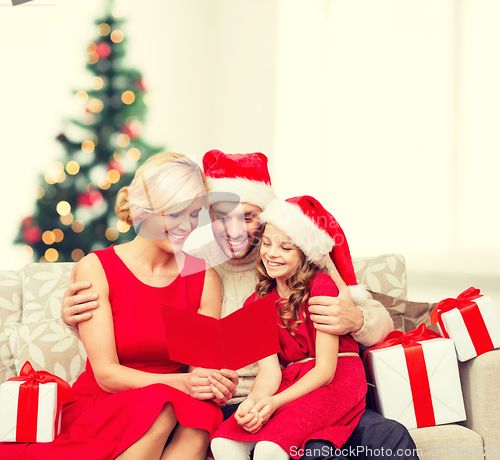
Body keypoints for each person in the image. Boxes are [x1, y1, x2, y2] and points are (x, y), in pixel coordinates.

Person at [61, 150, 419, 460]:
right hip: (243, 401)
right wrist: (79, 320)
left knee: (387, 439)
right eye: (221, 215)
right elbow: (164, 334)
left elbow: (379, 325)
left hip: (312, 392)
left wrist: (356, 319)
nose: (235, 230)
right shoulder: (198, 267)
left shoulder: (302, 260)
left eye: (248, 217)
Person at [1, 152, 230, 460]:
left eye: (194, 214)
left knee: (201, 413)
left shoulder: (204, 277)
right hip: (109, 401)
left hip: (177, 400)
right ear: (143, 212)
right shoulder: (97, 268)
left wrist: (209, 381)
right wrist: (184, 383)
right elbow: (107, 374)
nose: (186, 226)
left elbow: (200, 366)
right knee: (163, 405)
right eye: (174, 213)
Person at [211, 195, 367, 460]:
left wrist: (274, 403)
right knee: (224, 443)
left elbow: (325, 371)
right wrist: (253, 404)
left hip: (335, 382)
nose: (272, 254)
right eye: (268, 244)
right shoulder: (256, 302)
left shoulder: (321, 286)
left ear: (304, 253)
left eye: (286, 248)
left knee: (270, 448)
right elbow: (270, 373)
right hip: (290, 382)